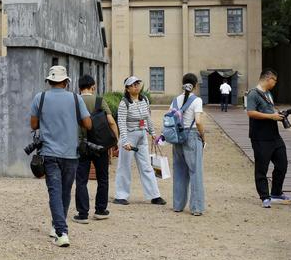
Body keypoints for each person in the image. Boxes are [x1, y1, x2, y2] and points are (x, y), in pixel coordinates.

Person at [30, 66, 92, 247]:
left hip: (49, 153)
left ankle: (61, 231)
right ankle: (58, 227)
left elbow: (33, 125)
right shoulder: (75, 98)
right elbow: (88, 124)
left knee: (55, 191)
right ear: (66, 82)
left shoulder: (39, 98)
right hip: (71, 153)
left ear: (49, 81)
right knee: (65, 191)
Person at [113, 76, 167, 206]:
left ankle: (154, 195)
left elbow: (148, 117)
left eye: (137, 83)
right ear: (127, 88)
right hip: (129, 136)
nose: (136, 86)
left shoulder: (145, 100)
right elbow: (121, 123)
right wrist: (125, 141)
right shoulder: (123, 103)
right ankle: (121, 195)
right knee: (124, 166)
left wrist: (153, 133)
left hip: (142, 135)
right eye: (133, 84)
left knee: (147, 165)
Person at [72, 74, 118, 224]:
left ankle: (83, 213)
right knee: (103, 178)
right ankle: (100, 210)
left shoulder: (74, 101)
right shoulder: (99, 100)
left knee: (81, 180)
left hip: (81, 145)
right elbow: (111, 121)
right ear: (93, 87)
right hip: (100, 145)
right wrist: (115, 141)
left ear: (79, 88)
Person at [246, 69, 291, 208]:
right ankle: (265, 197)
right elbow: (251, 113)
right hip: (260, 137)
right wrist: (271, 117)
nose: (275, 83)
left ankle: (276, 193)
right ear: (268, 79)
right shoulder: (253, 94)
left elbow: (269, 110)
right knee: (262, 167)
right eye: (275, 81)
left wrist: (277, 115)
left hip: (274, 135)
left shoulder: (268, 94)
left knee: (282, 164)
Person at [172, 73, 206, 215]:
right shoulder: (196, 100)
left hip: (177, 137)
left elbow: (170, 118)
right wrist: (202, 136)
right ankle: (196, 207)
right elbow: (198, 121)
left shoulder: (175, 100)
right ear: (195, 85)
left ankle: (178, 205)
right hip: (191, 135)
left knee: (179, 172)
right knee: (195, 172)